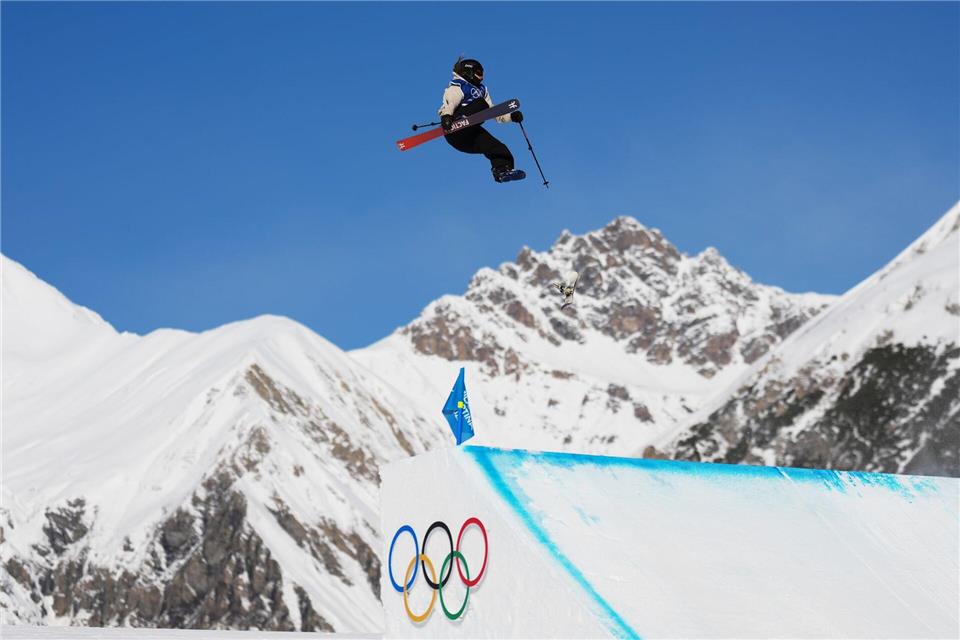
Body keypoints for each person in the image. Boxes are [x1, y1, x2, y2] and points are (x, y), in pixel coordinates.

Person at [439, 57, 525, 183]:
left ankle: (502, 170)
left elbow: (492, 111)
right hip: (455, 131)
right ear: (468, 72)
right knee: (481, 104)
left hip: (470, 135)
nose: (482, 77)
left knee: (497, 147)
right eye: (479, 73)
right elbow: (448, 103)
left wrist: (511, 117)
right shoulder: (459, 86)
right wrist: (446, 116)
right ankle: (461, 120)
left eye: (482, 73)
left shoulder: (482, 90)